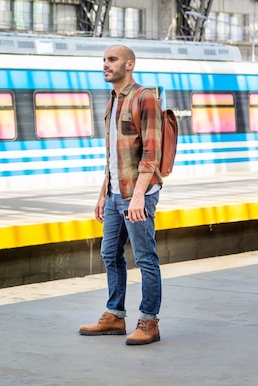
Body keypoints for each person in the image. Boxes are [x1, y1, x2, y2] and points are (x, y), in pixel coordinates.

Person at [78, 45, 163, 345]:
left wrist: (139, 197)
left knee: (145, 258)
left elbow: (152, 152)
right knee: (109, 254)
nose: (105, 64)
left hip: (136, 194)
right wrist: (103, 193)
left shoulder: (145, 97)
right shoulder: (112, 101)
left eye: (112, 60)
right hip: (115, 194)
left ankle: (149, 321)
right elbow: (112, 156)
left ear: (130, 65)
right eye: (103, 59)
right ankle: (115, 314)